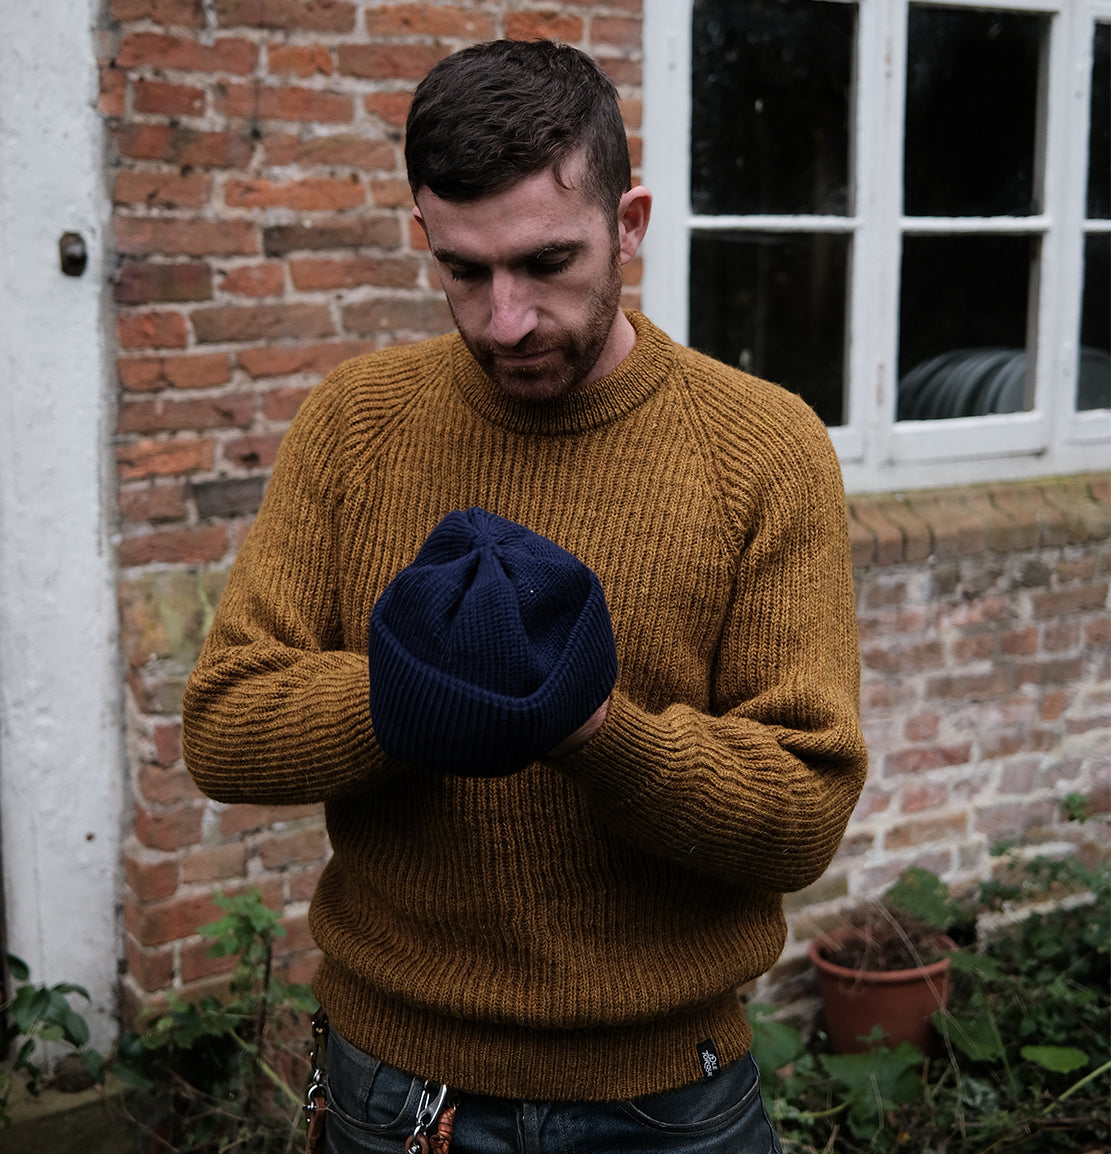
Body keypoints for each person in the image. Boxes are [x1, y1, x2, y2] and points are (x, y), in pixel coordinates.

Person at [182, 37, 868, 1154]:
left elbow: (802, 809)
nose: (505, 318)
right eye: (463, 271)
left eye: (548, 262)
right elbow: (225, 724)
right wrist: (418, 692)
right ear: (424, 233)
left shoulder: (761, 447)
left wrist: (589, 726)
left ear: (628, 224)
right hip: (396, 1088)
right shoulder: (357, 424)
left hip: (667, 1098)